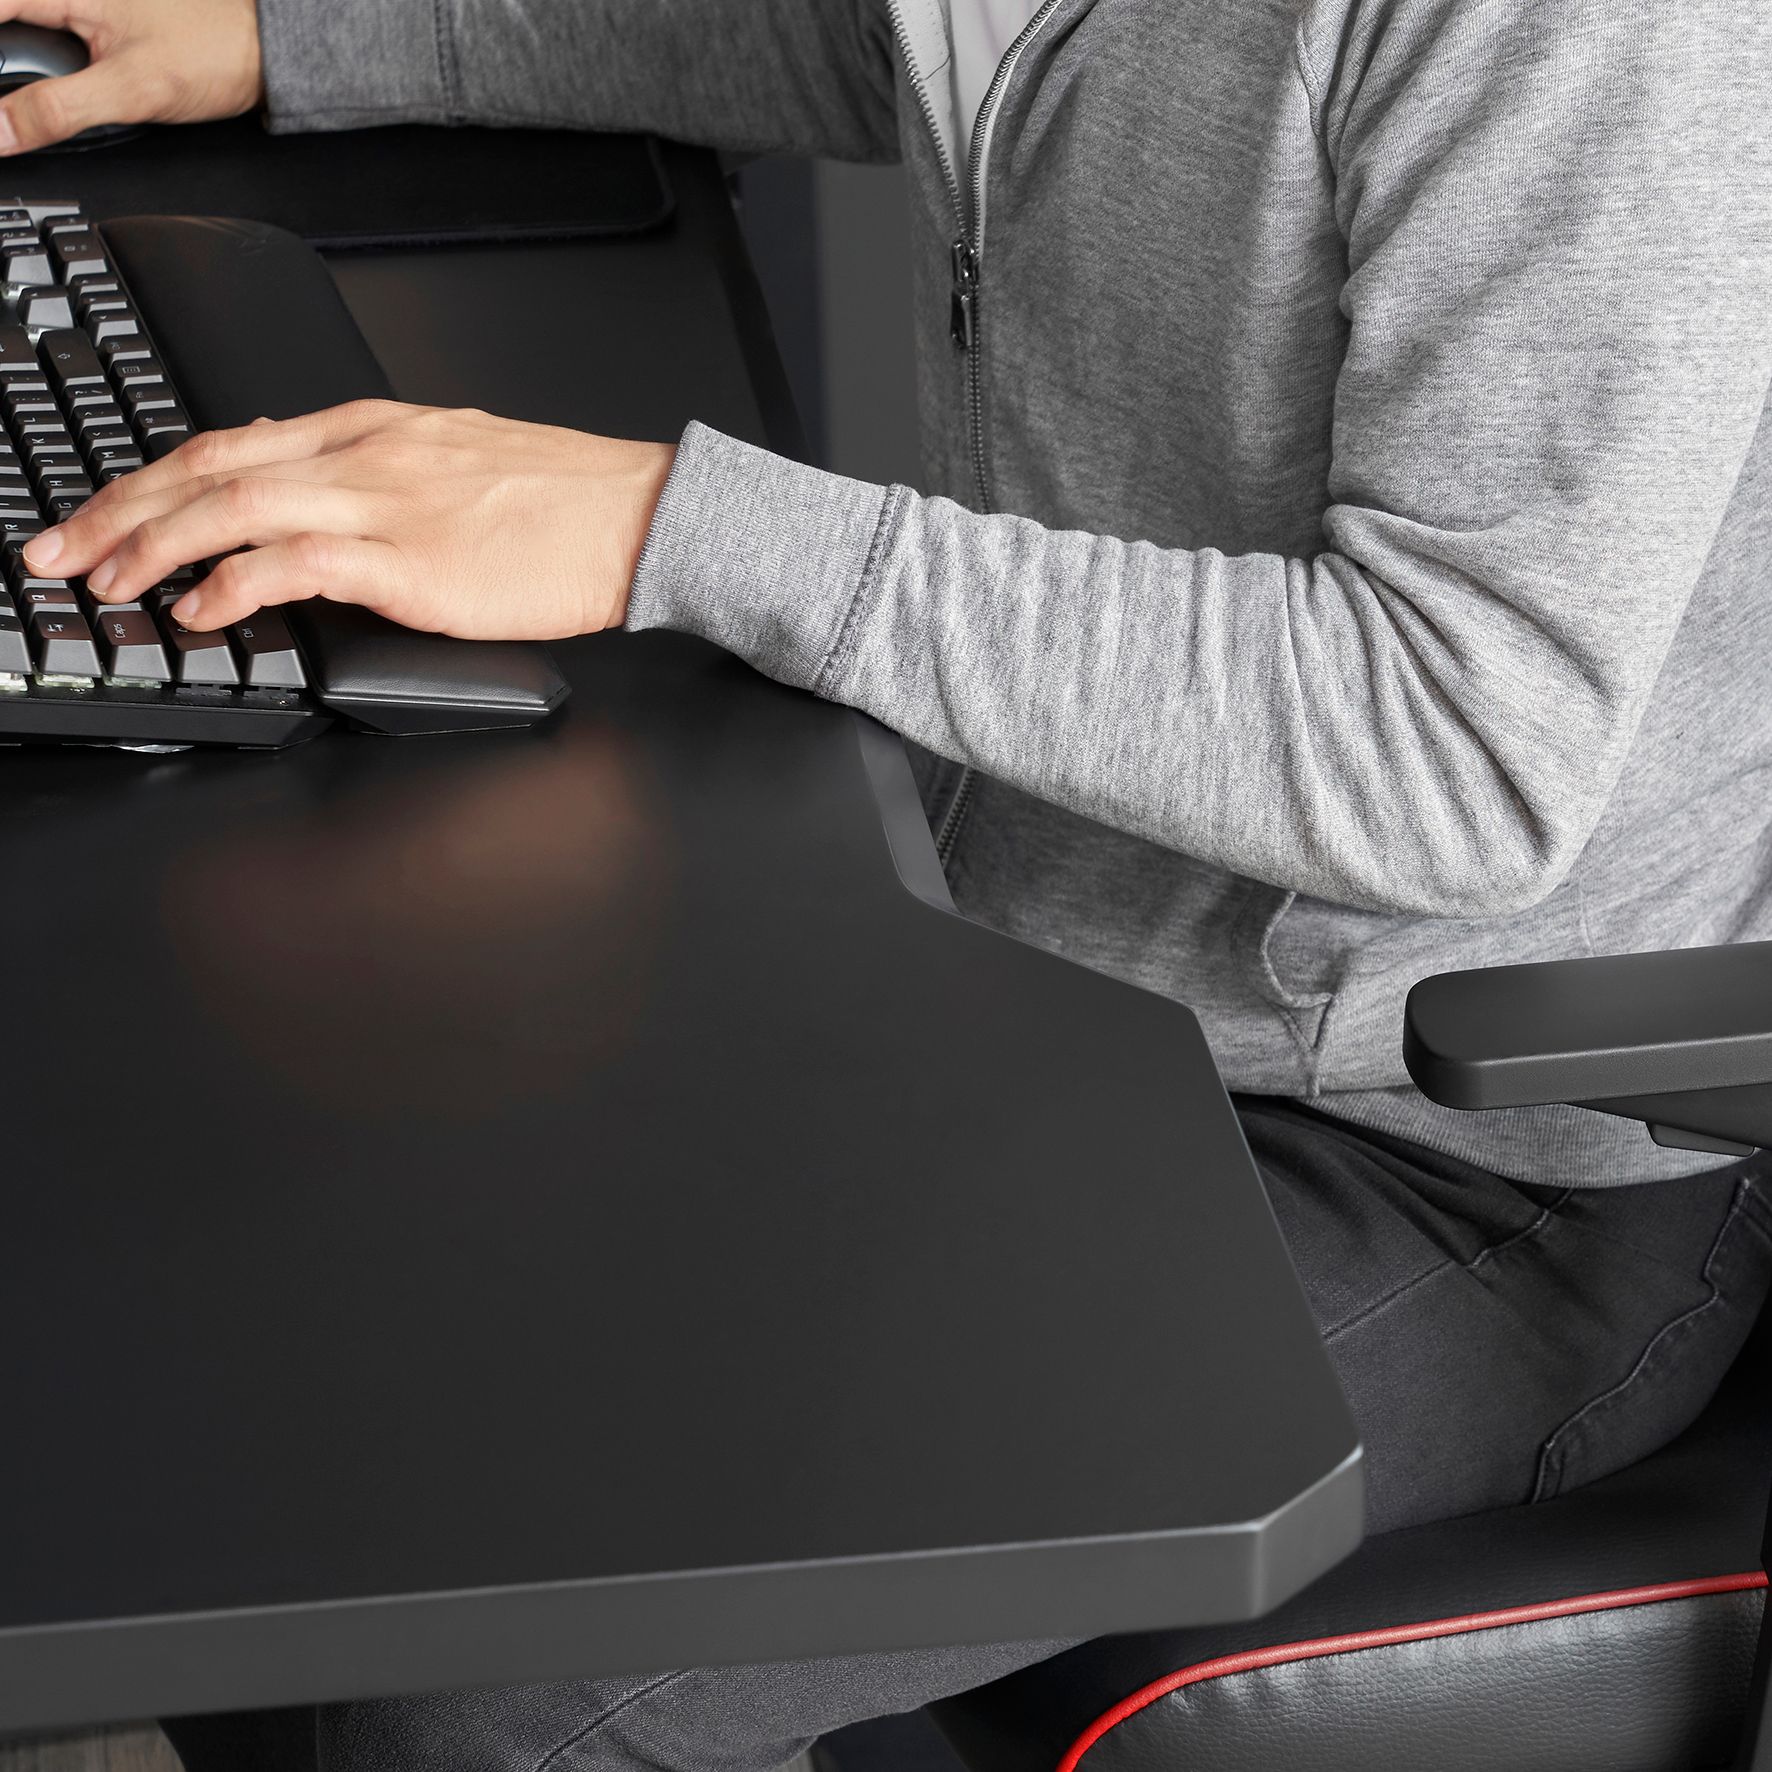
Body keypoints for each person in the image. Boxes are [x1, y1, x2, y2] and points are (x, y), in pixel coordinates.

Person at [10, 1, 1771, 1767]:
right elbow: (899, 50)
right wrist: (300, 35)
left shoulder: (1591, 34)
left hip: (1461, 1150)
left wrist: (669, 531)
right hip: (1019, 974)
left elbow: (1461, 747)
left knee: (487, 1680)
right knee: (244, 1283)